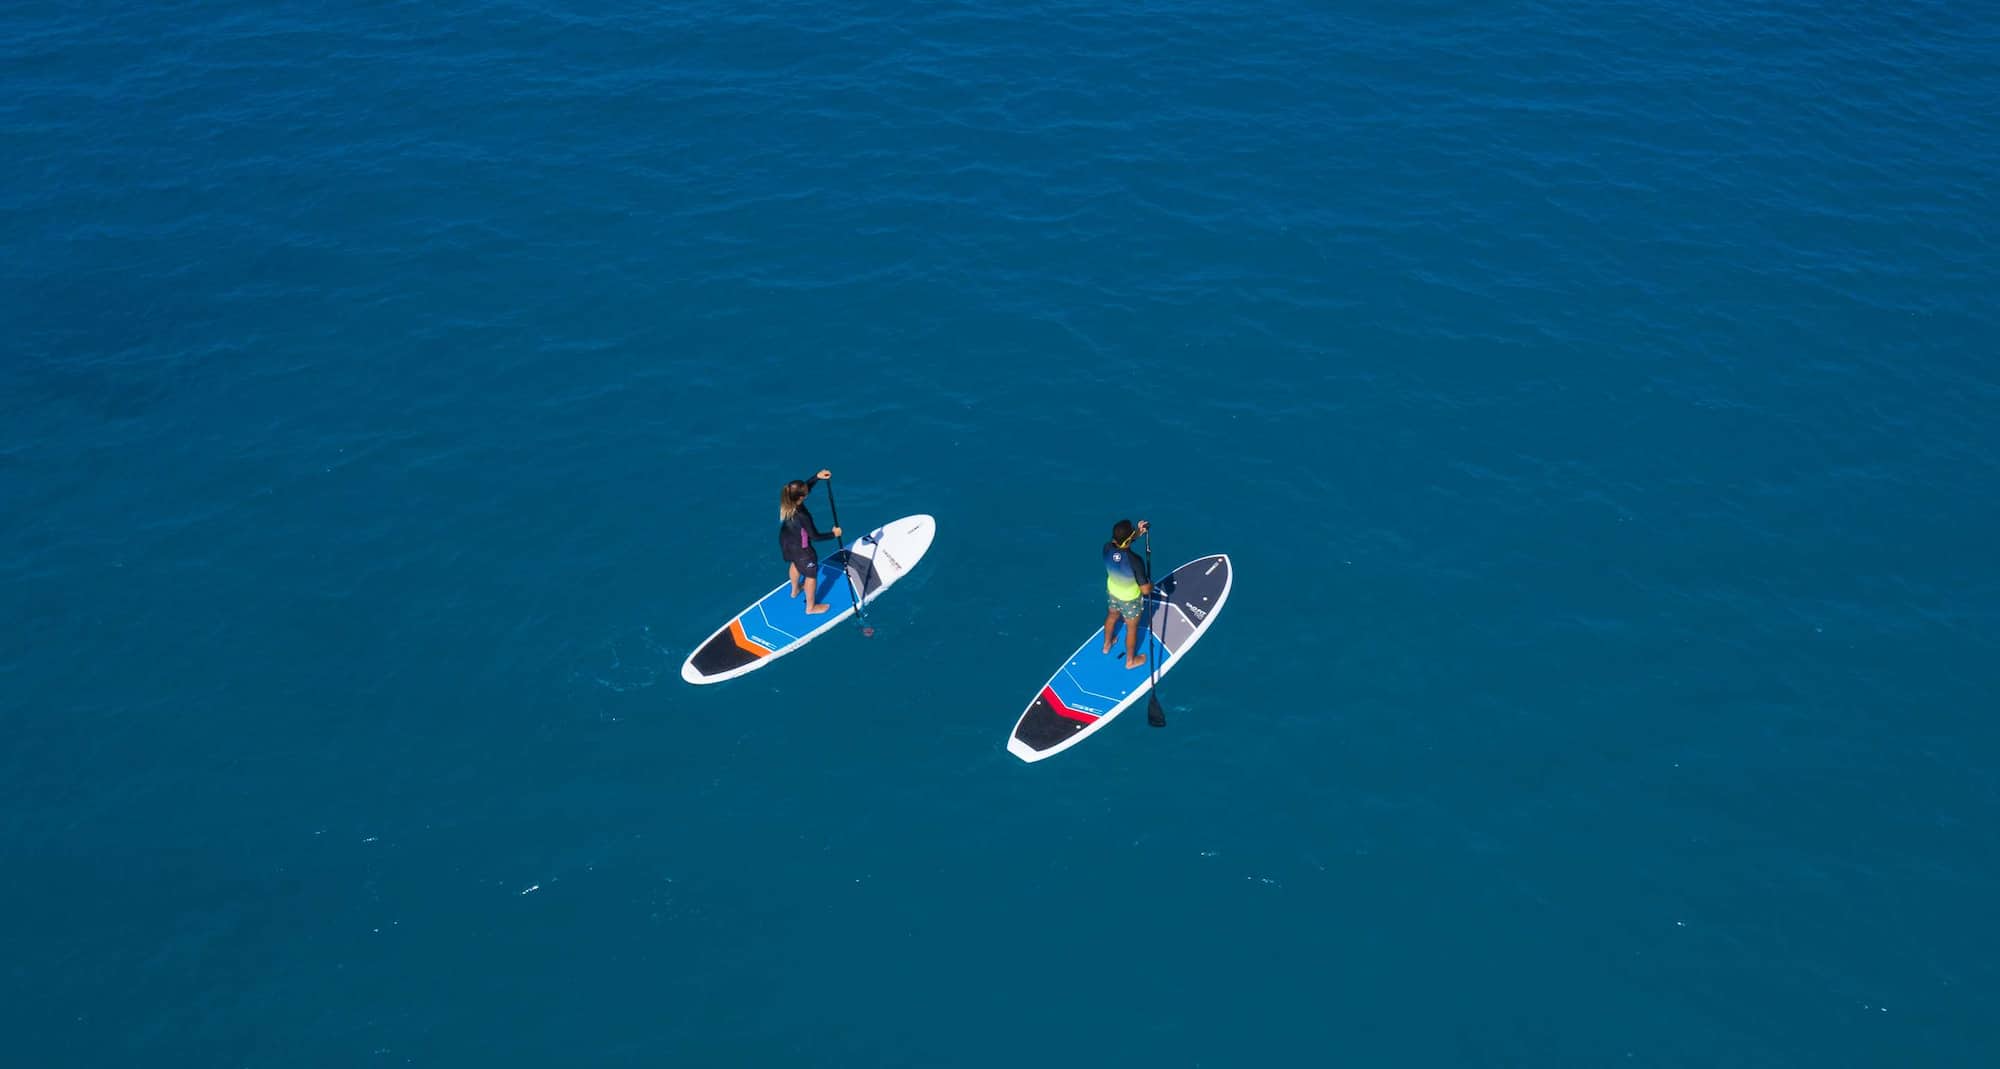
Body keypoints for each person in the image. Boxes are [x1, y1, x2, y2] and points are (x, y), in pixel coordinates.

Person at [779, 469, 842, 614]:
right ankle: (811, 607)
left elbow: (804, 488)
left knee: (795, 563)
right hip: (803, 551)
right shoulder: (802, 516)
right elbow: (815, 536)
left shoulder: (788, 502)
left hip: (787, 543)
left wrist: (816, 477)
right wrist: (834, 534)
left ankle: (795, 591)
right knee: (811, 575)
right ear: (802, 497)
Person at [1101, 518, 1152, 669]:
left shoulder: (1106, 548)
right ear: (1129, 538)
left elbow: (1121, 545)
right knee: (1131, 628)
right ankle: (1130, 661)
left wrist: (1138, 533)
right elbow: (1145, 590)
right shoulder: (1135, 561)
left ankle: (1107, 645)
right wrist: (1151, 584)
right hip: (1130, 599)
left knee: (1111, 617)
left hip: (1113, 591)